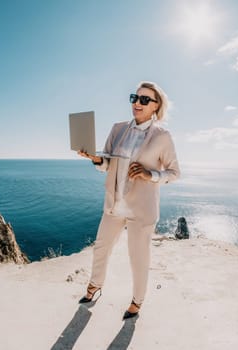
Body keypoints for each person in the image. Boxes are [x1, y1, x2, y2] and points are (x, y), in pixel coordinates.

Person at [77, 81, 180, 320]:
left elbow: (174, 173)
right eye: (135, 97)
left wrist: (150, 174)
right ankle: (94, 286)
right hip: (114, 203)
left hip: (142, 209)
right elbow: (108, 163)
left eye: (145, 99)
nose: (137, 103)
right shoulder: (118, 129)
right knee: (101, 248)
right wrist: (94, 158)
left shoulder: (162, 136)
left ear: (156, 106)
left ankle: (137, 301)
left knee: (138, 257)